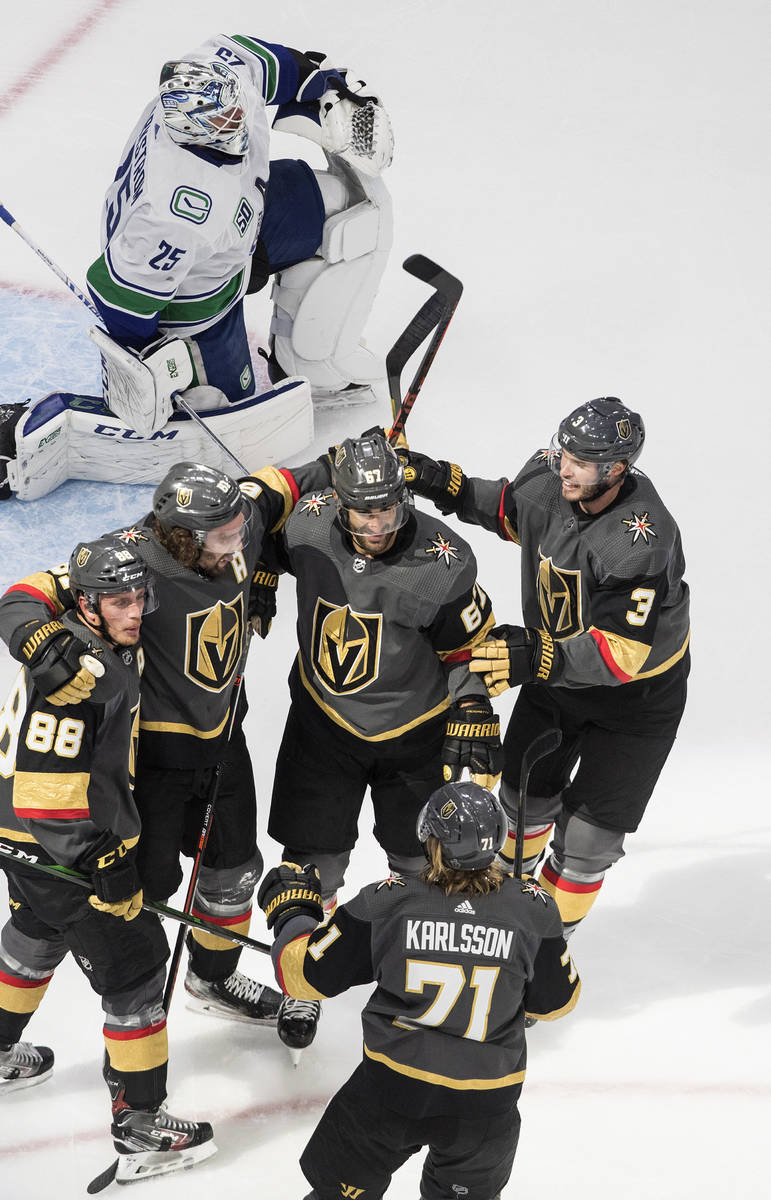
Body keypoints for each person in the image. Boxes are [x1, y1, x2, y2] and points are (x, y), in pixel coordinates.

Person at [0, 455, 332, 1053]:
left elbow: (283, 484)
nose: (237, 545)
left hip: (225, 739)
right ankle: (28, 1026)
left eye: (239, 533)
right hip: (151, 766)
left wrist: (345, 459)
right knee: (137, 898)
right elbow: (21, 597)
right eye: (223, 539)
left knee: (234, 873)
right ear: (180, 536)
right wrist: (39, 640)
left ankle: (213, 976)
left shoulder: (234, 518)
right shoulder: (128, 562)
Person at [0, 34, 394, 499]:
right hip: (193, 304)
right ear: (192, 131)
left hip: (238, 229)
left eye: (236, 111)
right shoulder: (173, 212)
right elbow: (118, 301)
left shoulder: (219, 78)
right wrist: (150, 362)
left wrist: (322, 83)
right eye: (225, 121)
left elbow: (264, 59)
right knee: (230, 416)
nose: (239, 123)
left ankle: (317, 365)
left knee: (354, 215)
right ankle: (28, 426)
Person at [0, 536, 216, 1184]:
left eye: (139, 597)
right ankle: (140, 1122)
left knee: (36, 933)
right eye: (120, 601)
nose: (135, 611)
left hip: (15, 833)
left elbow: (31, 591)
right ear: (88, 605)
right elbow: (47, 797)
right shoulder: (79, 674)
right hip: (53, 842)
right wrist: (103, 861)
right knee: (134, 969)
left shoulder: (80, 622)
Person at [401, 397, 691, 934]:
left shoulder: (640, 540)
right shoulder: (551, 480)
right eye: (565, 452)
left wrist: (535, 654)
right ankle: (508, 901)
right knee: (520, 804)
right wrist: (432, 477)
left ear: (617, 469)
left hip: (636, 701)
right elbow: (506, 508)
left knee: (586, 845)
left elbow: (621, 654)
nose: (565, 467)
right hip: (556, 678)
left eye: (581, 462)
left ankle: (540, 951)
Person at [263, 430, 505, 1050]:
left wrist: (472, 701)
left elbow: (467, 649)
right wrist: (262, 573)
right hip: (323, 724)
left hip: (414, 733)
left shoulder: (444, 561)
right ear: (339, 502)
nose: (377, 523)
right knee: (312, 862)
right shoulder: (307, 527)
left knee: (422, 863)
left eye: (389, 508)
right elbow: (249, 526)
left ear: (406, 497)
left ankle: (420, 981)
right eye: (364, 510)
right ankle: (304, 983)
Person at [256, 780, 581, 1200]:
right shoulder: (533, 912)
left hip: (391, 1094)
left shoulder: (385, 904)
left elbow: (299, 975)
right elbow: (558, 1003)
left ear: (432, 841)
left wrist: (293, 912)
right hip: (485, 1110)